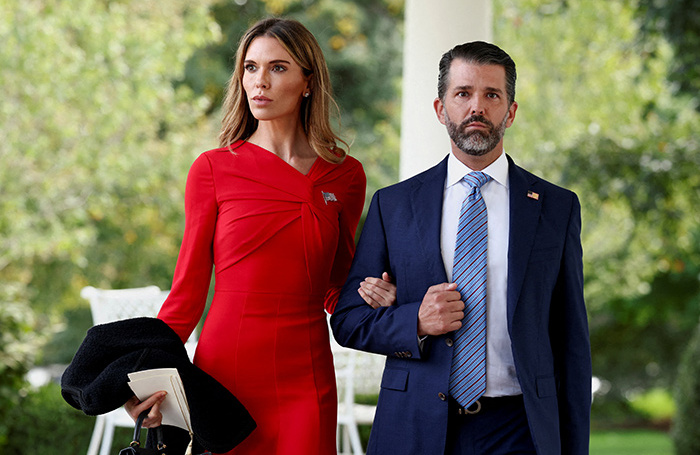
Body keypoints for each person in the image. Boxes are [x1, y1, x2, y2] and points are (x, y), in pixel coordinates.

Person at [125, 17, 396, 455]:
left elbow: (336, 286)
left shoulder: (345, 176)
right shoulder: (213, 169)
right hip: (225, 373)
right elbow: (186, 296)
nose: (259, 81)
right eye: (250, 68)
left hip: (306, 373)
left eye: (278, 68)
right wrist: (149, 379)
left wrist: (375, 295)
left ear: (308, 82)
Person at [330, 41, 591, 455]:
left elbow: (572, 341)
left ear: (511, 112)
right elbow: (348, 321)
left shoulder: (556, 208)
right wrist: (415, 320)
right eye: (463, 93)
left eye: (492, 95)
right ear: (440, 109)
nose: (477, 107)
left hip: (520, 430)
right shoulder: (393, 205)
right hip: (415, 425)